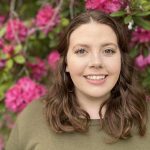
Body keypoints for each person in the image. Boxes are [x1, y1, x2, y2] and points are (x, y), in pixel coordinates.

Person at [6, 10, 150, 150]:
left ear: (121, 60)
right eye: (81, 51)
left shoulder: (146, 117)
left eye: (108, 51)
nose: (96, 62)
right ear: (66, 63)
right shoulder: (32, 119)